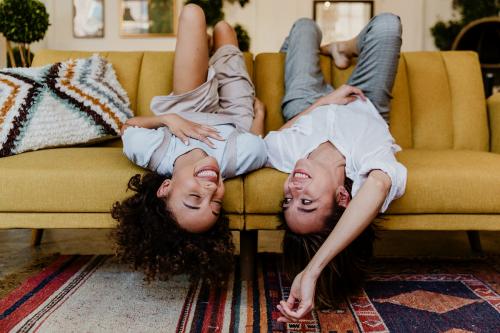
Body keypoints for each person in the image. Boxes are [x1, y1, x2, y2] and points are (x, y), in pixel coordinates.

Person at [264, 14, 407, 321]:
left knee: (304, 26)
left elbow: (275, 136)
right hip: (365, 100)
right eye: (306, 201)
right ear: (343, 197)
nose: (292, 188)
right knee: (387, 26)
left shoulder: (285, 155)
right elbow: (380, 186)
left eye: (288, 200)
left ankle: (334, 49)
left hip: (305, 104)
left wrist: (324, 101)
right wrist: (312, 271)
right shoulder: (368, 159)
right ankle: (345, 47)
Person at [111, 4, 267, 285]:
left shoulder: (155, 154)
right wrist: (261, 117)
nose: (210, 190)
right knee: (224, 30)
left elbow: (128, 127)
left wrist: (167, 119)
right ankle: (211, 52)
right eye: (216, 202)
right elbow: (257, 143)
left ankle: (202, 58)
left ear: (166, 187)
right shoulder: (238, 157)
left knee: (193, 13)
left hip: (189, 108)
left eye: (195, 198)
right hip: (235, 117)